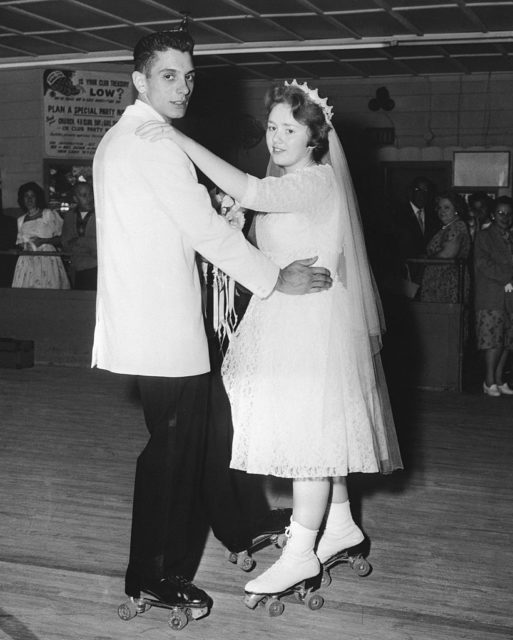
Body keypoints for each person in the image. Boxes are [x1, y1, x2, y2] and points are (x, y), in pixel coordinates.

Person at [92, 27, 332, 613]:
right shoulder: (153, 142)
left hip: (155, 320)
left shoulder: (122, 138)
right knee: (172, 453)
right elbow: (200, 232)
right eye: (169, 75)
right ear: (139, 80)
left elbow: (177, 228)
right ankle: (152, 573)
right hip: (161, 326)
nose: (183, 87)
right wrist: (277, 278)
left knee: (209, 431)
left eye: (189, 76)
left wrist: (221, 220)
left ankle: (238, 521)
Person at [137, 79, 403, 598]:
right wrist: (240, 226)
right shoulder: (291, 181)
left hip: (308, 324)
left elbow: (255, 192)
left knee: (310, 440)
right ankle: (342, 523)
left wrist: (179, 140)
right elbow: (266, 218)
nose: (276, 138)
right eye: (272, 128)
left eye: (289, 129)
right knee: (322, 431)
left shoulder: (316, 180)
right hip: (287, 313)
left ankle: (300, 555)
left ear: (314, 139)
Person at [473, 196, 513, 396]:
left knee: (507, 340)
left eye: (508, 213)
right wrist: (509, 273)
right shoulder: (484, 236)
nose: (504, 217)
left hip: (510, 298)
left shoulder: (511, 237)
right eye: (500, 213)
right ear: (492, 215)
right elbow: (483, 265)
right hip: (491, 296)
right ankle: (489, 381)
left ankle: (499, 379)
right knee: (492, 340)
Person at [11, 182, 70, 289]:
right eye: (26, 196)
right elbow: (19, 242)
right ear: (22, 199)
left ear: (37, 198)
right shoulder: (20, 220)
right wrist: (24, 245)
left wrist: (43, 241)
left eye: (32, 196)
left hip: (46, 258)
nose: (29, 199)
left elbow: (60, 238)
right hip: (27, 261)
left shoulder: (48, 214)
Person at [419, 191, 471, 303]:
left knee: (445, 317)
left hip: (447, 282)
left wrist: (426, 259)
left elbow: (448, 254)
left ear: (456, 209)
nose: (441, 211)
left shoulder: (458, 226)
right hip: (437, 280)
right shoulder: (447, 227)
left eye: (446, 207)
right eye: (439, 207)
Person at [61, 181, 97, 290]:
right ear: (75, 199)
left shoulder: (101, 215)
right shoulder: (69, 216)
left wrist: (77, 241)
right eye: (84, 195)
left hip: (97, 269)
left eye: (91, 194)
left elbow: (99, 246)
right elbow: (66, 244)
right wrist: (89, 245)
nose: (89, 198)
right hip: (76, 270)